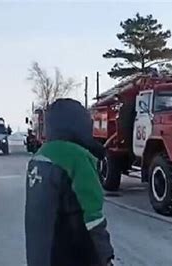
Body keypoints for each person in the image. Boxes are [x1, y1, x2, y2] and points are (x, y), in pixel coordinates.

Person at [25, 98, 114, 266]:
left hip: (40, 255)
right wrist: (105, 256)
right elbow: (93, 216)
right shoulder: (77, 158)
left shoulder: (39, 156)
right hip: (72, 255)